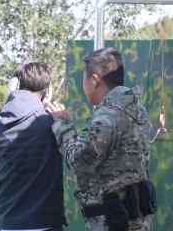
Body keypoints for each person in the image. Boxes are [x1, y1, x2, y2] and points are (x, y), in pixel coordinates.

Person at [46, 47, 156, 231]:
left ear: (95, 80)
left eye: (84, 78)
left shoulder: (108, 116)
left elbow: (79, 162)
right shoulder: (135, 107)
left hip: (113, 222)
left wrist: (62, 124)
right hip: (136, 219)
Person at [0, 62, 66, 231]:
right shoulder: (55, 122)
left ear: (14, 87)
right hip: (46, 222)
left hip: (7, 223)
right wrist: (65, 122)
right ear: (47, 92)